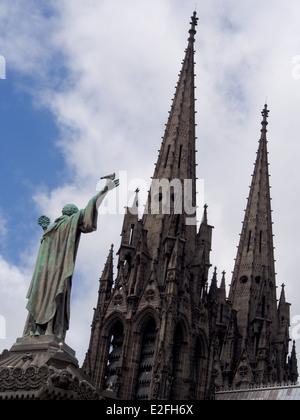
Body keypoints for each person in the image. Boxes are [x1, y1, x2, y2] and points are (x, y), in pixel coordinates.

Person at [23, 177, 119, 341]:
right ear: (73, 214)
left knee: (44, 297)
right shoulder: (70, 222)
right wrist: (104, 190)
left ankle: (36, 329)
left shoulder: (51, 230)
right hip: (58, 271)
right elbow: (90, 207)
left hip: (44, 275)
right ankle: (50, 329)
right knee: (56, 296)